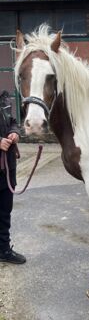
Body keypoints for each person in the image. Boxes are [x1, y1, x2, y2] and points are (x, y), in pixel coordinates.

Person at [0, 90, 26, 264]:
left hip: (7, 168)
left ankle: (3, 250)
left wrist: (15, 133)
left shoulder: (5, 98)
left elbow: (13, 122)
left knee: (4, 211)